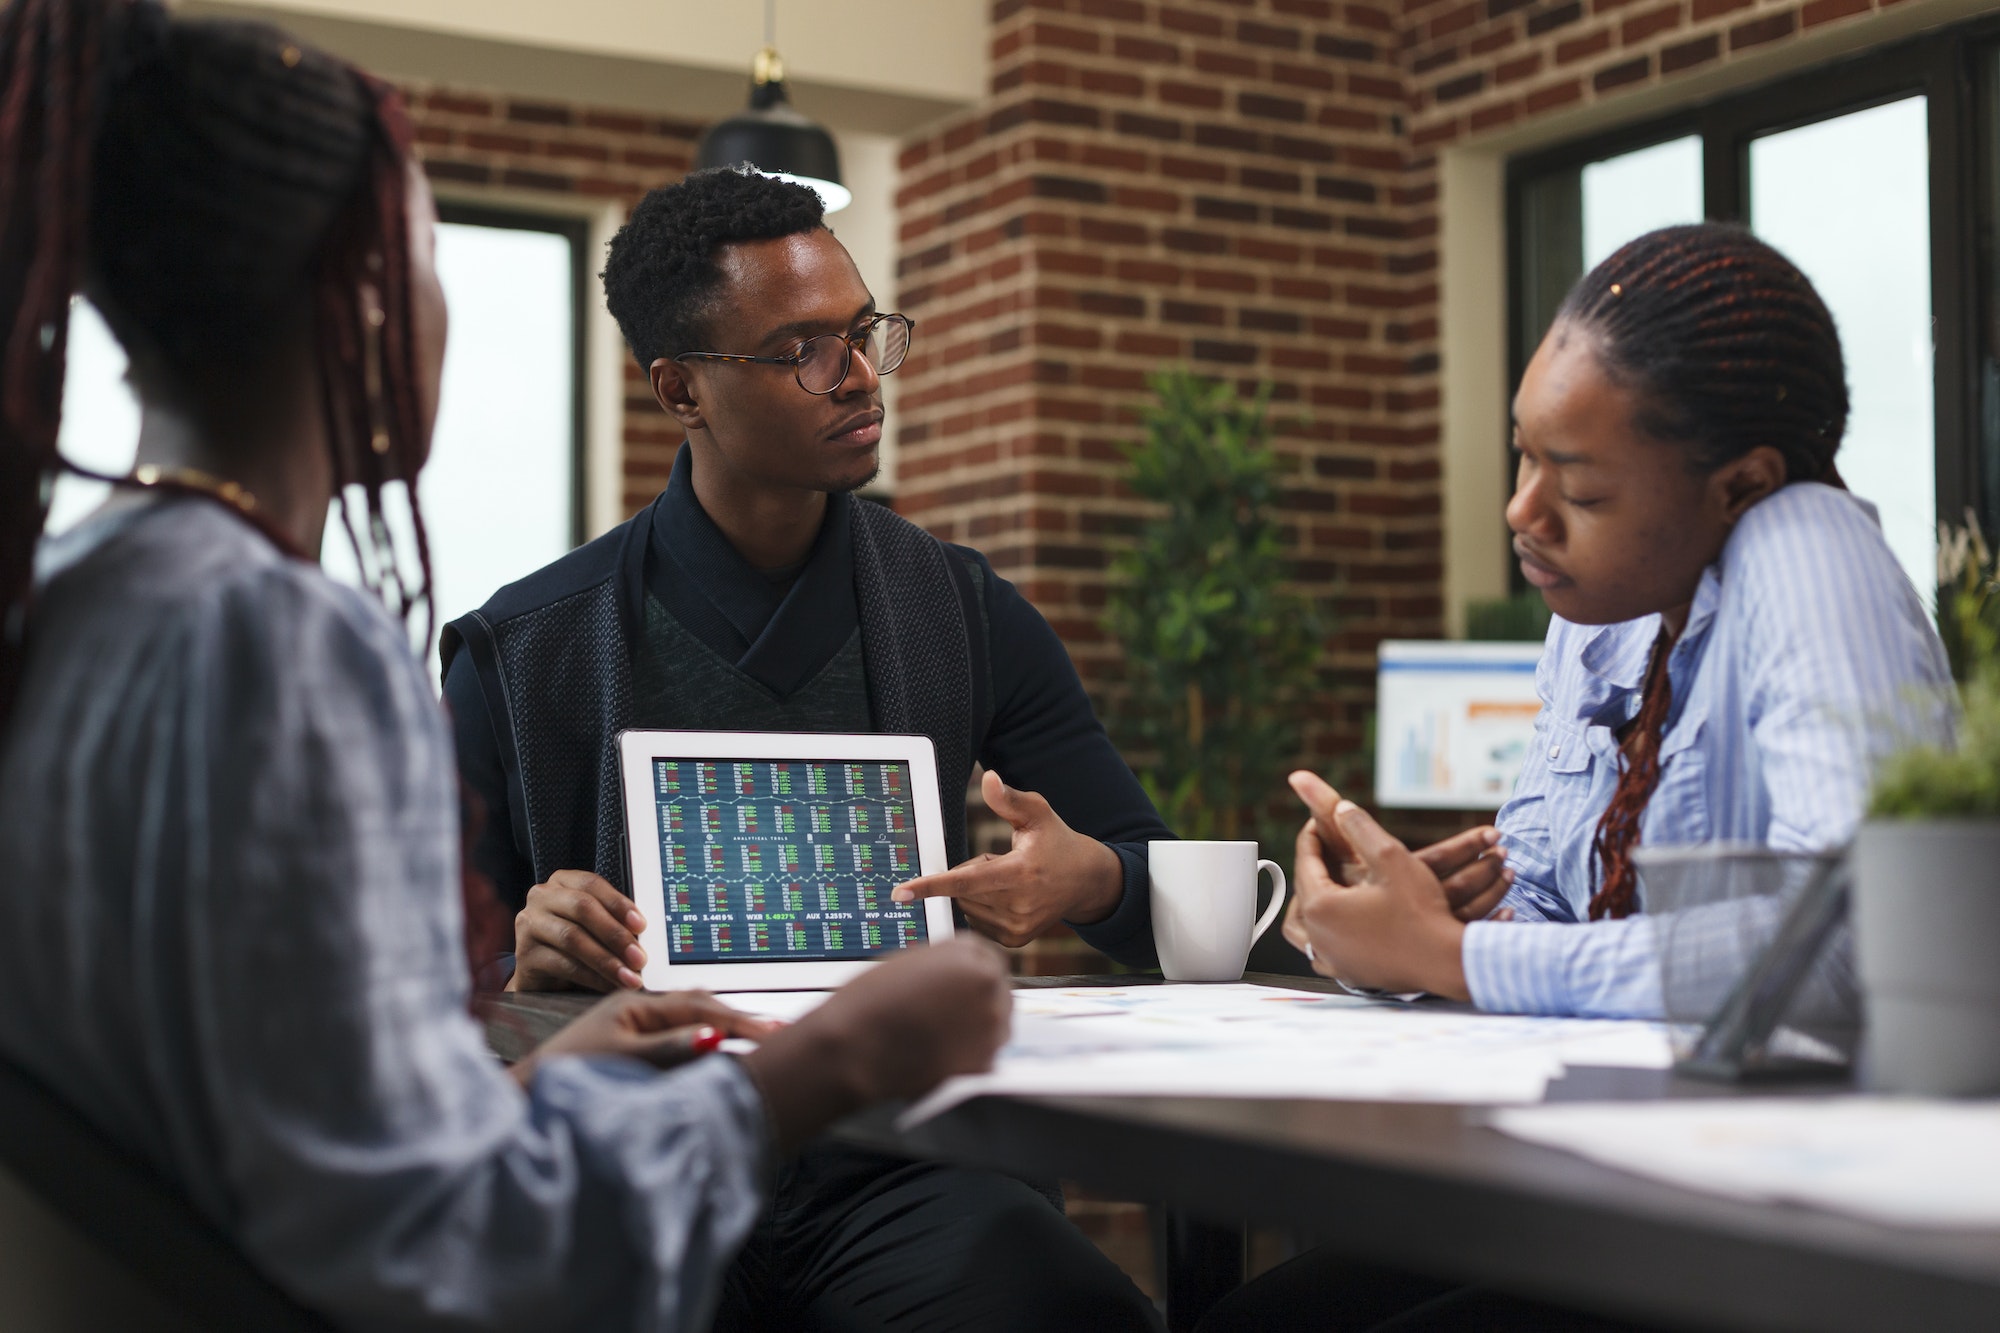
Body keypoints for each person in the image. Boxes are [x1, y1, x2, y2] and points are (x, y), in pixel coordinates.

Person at [0, 4, 1012, 1329]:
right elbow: (463, 1259)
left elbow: (279, 1143)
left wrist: (535, 1084)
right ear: (358, 288)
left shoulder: (80, 597)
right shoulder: (281, 650)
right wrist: (824, 1065)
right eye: (424, 255)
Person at [442, 165, 1165, 1330]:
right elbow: (419, 1021)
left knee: (1073, 1309)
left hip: (903, 1167)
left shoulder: (961, 610)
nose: (860, 374)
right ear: (680, 388)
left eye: (862, 330)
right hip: (643, 1161)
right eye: (801, 350)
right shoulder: (520, 649)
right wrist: (519, 969)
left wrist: (1098, 876)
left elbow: (1153, 883)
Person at [1199, 223, 1957, 1332]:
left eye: (1581, 488)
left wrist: (1456, 954)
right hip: (1612, 1175)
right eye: (1524, 457)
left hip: (1774, 1224)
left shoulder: (1801, 543)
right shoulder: (1599, 606)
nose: (1523, 512)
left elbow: (1853, 942)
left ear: (1740, 484)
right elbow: (1546, 905)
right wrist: (1399, 922)